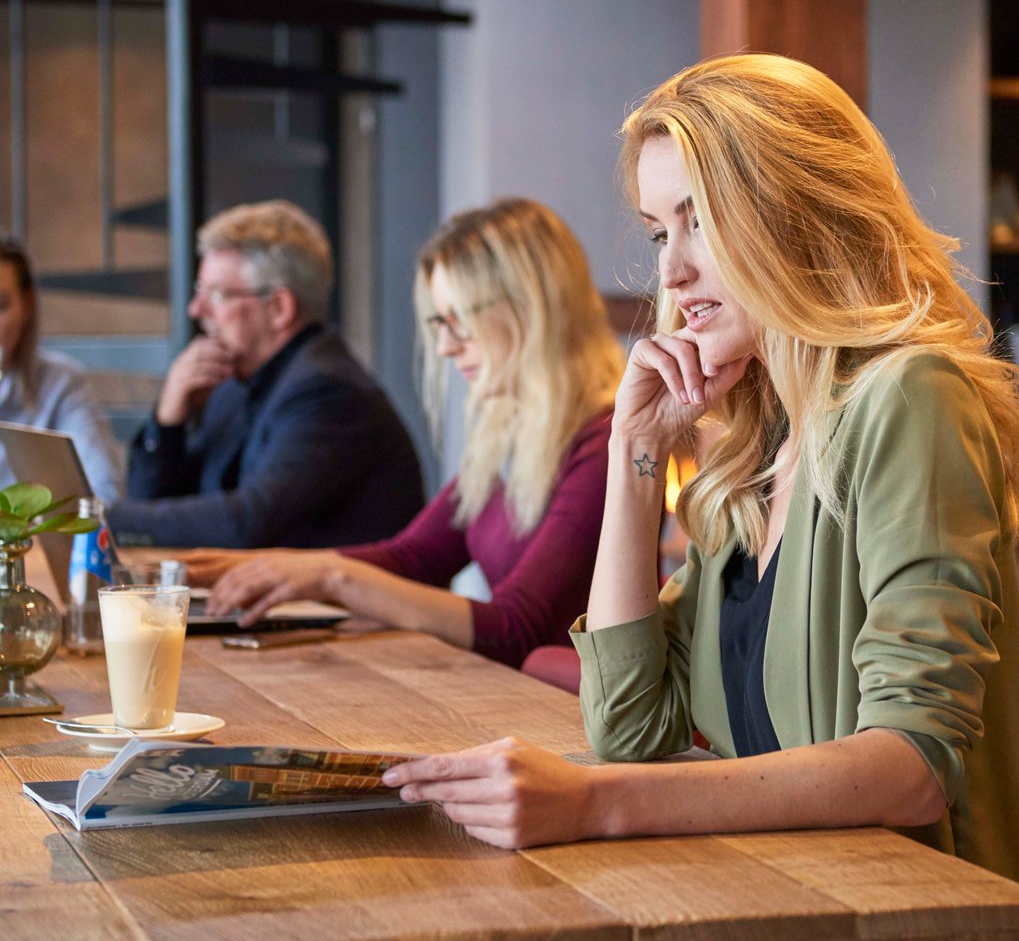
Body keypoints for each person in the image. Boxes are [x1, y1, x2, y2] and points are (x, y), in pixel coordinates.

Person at [379, 54, 1019, 892]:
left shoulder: (911, 398)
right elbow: (629, 725)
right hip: (771, 900)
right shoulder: (756, 441)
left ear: (800, 215)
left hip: (911, 933)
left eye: (702, 221)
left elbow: (909, 765)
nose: (671, 272)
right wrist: (634, 453)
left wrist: (596, 805)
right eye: (660, 231)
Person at [191, 198, 625, 668]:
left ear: (532, 308)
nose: (444, 346)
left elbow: (519, 629)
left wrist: (331, 577)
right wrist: (273, 568)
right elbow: (416, 557)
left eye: (459, 319)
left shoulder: (604, 444)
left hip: (571, 725)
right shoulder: (514, 429)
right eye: (440, 323)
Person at [106, 200, 424, 548]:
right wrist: (168, 421)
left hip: (337, 603)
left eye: (217, 294)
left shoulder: (329, 392)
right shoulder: (233, 384)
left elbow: (248, 522)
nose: (196, 309)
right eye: (200, 292)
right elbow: (161, 510)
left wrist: (103, 518)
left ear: (279, 308)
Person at [0, 237, 124, 502]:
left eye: (1, 305)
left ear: (27, 306)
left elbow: (104, 494)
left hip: (28, 542)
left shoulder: (61, 383)